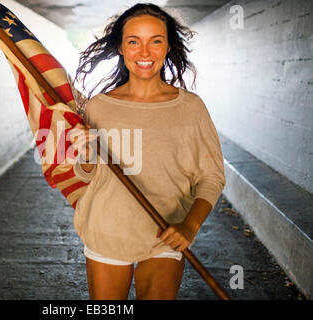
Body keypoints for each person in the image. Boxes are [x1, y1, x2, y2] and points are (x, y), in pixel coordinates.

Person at [68, 3, 226, 300]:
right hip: (107, 230)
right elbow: (85, 173)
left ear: (168, 47)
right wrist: (86, 153)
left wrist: (189, 226)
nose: (144, 52)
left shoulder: (190, 108)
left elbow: (212, 176)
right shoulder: (99, 106)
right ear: (121, 48)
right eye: (133, 41)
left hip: (165, 232)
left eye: (155, 41)